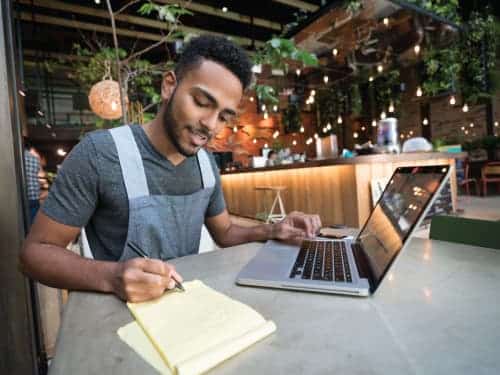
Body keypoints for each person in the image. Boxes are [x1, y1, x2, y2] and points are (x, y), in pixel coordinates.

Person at [21, 35, 322, 303]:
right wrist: (112, 276)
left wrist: (273, 229)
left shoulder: (206, 165)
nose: (210, 124)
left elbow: (225, 232)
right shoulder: (100, 154)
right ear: (169, 86)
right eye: (202, 102)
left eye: (224, 116)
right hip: (118, 324)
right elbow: (34, 254)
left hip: (185, 308)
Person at [23, 142, 41, 225]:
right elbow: (36, 172)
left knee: (23, 221)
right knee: (33, 220)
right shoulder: (35, 159)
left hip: (23, 194)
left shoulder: (18, 158)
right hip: (34, 194)